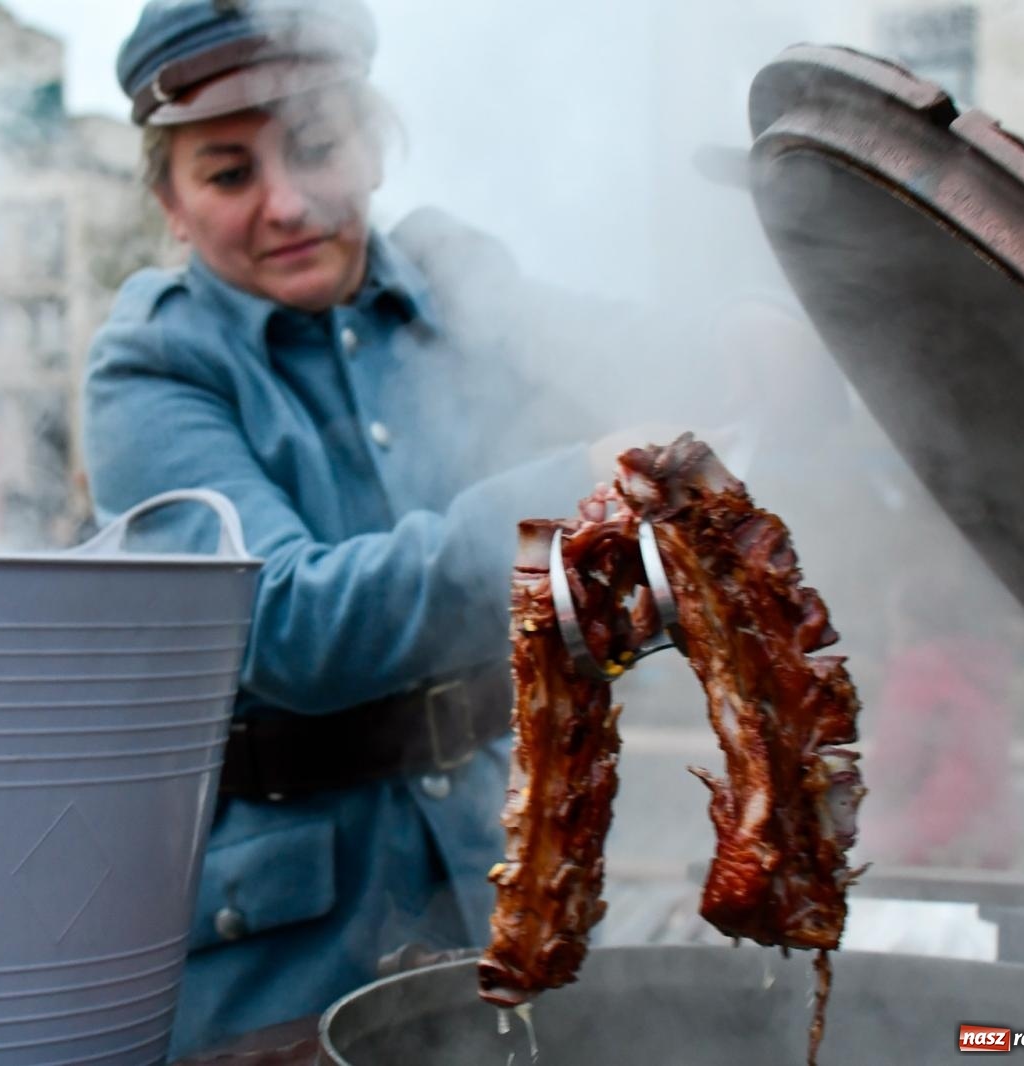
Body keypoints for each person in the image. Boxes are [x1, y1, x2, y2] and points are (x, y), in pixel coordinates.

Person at [85, 1, 699, 1056]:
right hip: (283, 962)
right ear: (171, 204)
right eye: (228, 173)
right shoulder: (153, 369)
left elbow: (636, 359)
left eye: (318, 145)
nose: (286, 203)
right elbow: (285, 625)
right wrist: (565, 497)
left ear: (372, 142)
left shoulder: (457, 283)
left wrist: (764, 340)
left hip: (499, 892)